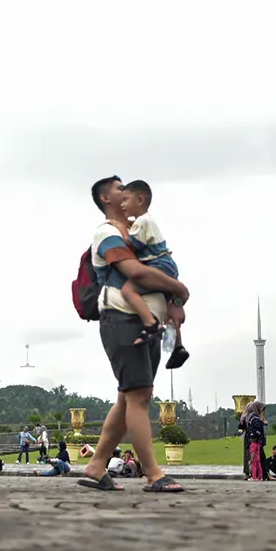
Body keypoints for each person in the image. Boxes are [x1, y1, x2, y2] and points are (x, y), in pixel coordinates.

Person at [78, 176, 189, 494]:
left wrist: (174, 301)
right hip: (122, 319)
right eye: (118, 188)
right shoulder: (107, 233)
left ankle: (97, 466)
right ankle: (153, 474)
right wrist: (179, 288)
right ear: (105, 198)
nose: (124, 192)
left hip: (148, 322)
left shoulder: (137, 232)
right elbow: (136, 273)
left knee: (128, 397)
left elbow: (158, 269)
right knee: (139, 396)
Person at [110, 180, 189, 369]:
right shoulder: (148, 221)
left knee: (128, 290)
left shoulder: (142, 222)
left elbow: (131, 244)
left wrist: (119, 227)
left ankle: (150, 323)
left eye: (125, 200)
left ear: (140, 199)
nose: (122, 205)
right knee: (170, 308)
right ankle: (177, 345)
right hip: (168, 265)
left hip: (158, 265)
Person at [243, 401, 267, 482]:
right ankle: (257, 476)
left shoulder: (247, 416)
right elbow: (260, 426)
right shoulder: (254, 417)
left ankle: (254, 475)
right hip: (255, 440)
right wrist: (263, 419)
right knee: (257, 460)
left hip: (250, 440)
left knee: (253, 459)